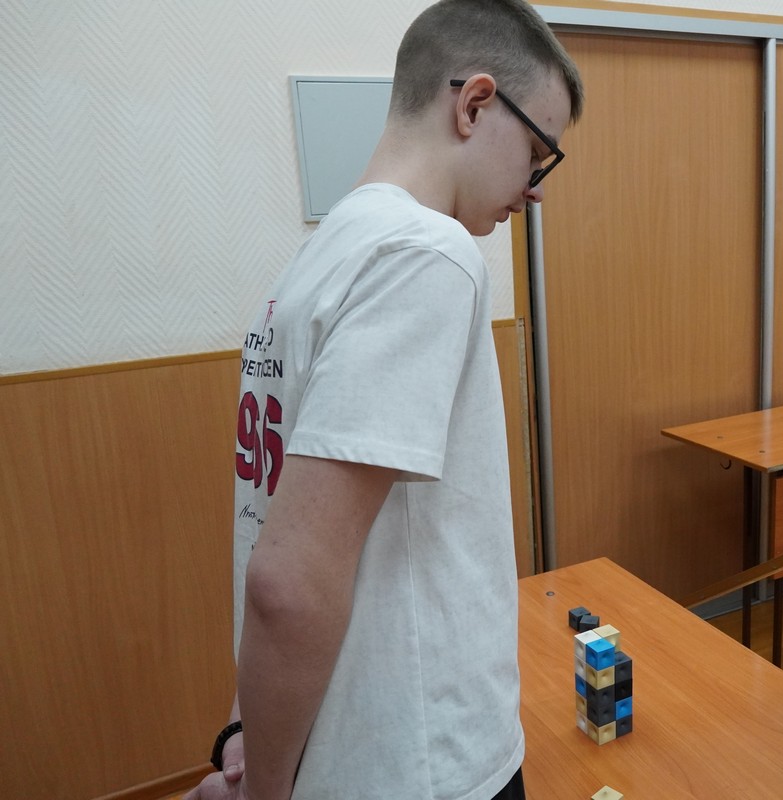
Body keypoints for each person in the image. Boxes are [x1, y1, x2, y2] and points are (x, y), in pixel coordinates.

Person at [184, 2, 583, 798]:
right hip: (424, 763)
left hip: (346, 750)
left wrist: (246, 738)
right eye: (536, 155)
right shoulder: (423, 255)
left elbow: (272, 530)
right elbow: (288, 581)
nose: (533, 191)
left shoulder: (321, 256)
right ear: (474, 105)